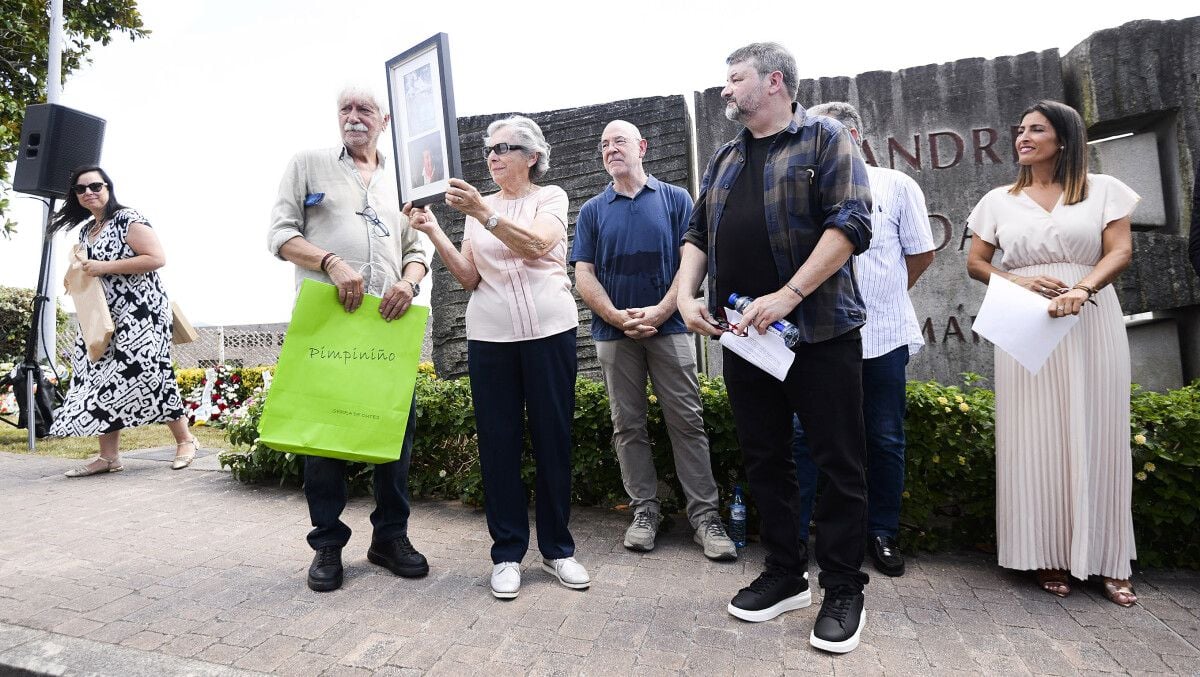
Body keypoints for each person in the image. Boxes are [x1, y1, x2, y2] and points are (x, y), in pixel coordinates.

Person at [675, 43, 873, 653]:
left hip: (819, 334)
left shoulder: (825, 138)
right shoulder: (727, 155)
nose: (725, 90)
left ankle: (842, 587)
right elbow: (698, 232)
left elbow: (852, 224)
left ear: (775, 82)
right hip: (745, 340)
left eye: (735, 79)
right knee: (764, 458)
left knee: (839, 463)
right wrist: (686, 296)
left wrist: (788, 295)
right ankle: (786, 574)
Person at [405, 115, 589, 599]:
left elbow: (538, 245)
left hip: (550, 329)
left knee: (554, 436)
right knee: (498, 443)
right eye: (490, 148)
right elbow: (469, 278)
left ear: (532, 157)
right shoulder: (476, 208)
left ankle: (558, 550)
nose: (493, 156)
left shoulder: (550, 198)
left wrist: (485, 214)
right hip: (491, 336)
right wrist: (432, 232)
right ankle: (507, 552)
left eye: (505, 147)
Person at [965, 100, 1139, 607]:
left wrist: (1080, 290)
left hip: (1092, 315)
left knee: (1101, 430)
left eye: (1035, 130)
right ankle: (1047, 554)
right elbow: (977, 263)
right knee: (1035, 434)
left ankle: (1110, 559)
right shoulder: (998, 199)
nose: (1022, 137)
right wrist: (1017, 280)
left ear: (1063, 139)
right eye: (1020, 130)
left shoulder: (1104, 191)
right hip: (1025, 321)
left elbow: (1120, 251)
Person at [268, 85, 430, 592]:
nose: (354, 117)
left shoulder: (402, 180)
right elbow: (279, 235)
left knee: (392, 438)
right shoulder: (307, 164)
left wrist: (408, 279)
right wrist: (330, 262)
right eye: (346, 109)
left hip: (386, 325)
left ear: (383, 120)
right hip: (328, 327)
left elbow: (418, 243)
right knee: (323, 440)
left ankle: (389, 538)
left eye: (365, 110)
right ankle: (327, 545)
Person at [571, 120, 737, 561]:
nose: (611, 149)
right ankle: (645, 511)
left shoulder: (675, 199)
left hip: (671, 330)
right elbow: (582, 273)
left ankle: (705, 518)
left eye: (619, 141)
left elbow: (691, 262)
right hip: (613, 333)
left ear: (642, 147)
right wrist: (614, 317)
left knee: (687, 421)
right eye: (604, 144)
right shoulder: (592, 211)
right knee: (627, 426)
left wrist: (664, 310)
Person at [792, 102, 936, 577]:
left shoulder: (897, 185)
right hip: (819, 337)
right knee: (806, 437)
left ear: (850, 135)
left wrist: (884, 296)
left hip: (883, 334)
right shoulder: (804, 187)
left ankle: (882, 532)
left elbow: (919, 254)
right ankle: (795, 537)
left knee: (885, 437)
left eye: (822, 133)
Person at [48, 166, 197, 475]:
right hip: (104, 313)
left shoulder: (128, 219)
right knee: (101, 376)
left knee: (149, 369)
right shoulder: (86, 231)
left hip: (141, 310)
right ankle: (109, 457)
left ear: (108, 187)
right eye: (81, 189)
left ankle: (185, 440)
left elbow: (156, 258)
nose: (89, 192)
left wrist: (104, 267)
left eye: (95, 186)